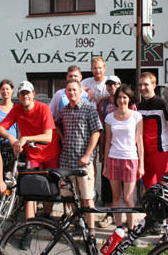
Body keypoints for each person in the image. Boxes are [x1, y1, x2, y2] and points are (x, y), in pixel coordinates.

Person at [0, 80, 61, 250]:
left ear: (33, 94)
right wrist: (12, 138)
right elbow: (0, 128)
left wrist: (25, 138)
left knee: (50, 187)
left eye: (28, 93)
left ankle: (47, 217)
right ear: (18, 96)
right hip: (33, 154)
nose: (25, 96)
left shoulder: (43, 108)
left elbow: (47, 137)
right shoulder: (17, 109)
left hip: (50, 151)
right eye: (22, 93)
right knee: (30, 191)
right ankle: (29, 228)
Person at [56, 79, 102, 244]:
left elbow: (96, 132)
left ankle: (91, 231)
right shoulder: (63, 111)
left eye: (74, 89)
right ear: (66, 92)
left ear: (80, 91)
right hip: (67, 160)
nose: (71, 92)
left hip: (83, 162)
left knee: (87, 197)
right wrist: (63, 139)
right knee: (71, 197)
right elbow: (57, 126)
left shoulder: (89, 109)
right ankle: (78, 223)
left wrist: (87, 155)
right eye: (68, 90)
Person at [137, 71, 168, 234]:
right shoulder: (139, 106)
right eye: (140, 85)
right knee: (149, 190)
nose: (142, 88)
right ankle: (154, 222)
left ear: (154, 85)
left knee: (165, 192)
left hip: (162, 153)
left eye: (146, 84)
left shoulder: (163, 104)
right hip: (145, 155)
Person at [103, 84, 144, 232]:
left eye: (124, 97)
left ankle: (131, 228)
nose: (121, 100)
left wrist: (141, 165)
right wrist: (106, 165)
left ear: (129, 99)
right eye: (119, 97)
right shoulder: (109, 117)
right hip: (114, 158)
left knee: (128, 198)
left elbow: (139, 141)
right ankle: (119, 227)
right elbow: (107, 141)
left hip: (131, 159)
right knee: (116, 196)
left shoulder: (136, 116)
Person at [97, 75, 135, 228]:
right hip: (110, 151)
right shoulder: (103, 105)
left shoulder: (132, 108)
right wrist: (101, 152)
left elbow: (136, 133)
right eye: (109, 85)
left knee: (128, 195)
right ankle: (110, 216)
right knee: (110, 190)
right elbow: (101, 131)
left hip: (128, 155)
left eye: (115, 84)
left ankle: (130, 226)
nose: (112, 87)